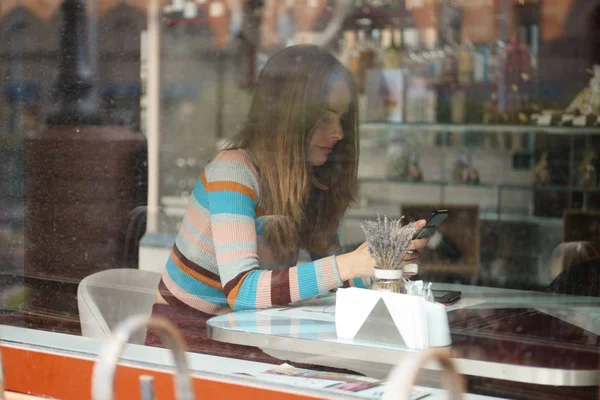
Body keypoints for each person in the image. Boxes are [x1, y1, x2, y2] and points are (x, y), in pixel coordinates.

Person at [145, 45, 429, 364]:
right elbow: (241, 291)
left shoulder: (306, 180)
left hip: (251, 336)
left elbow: (336, 280)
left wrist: (384, 264)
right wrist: (348, 264)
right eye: (325, 118)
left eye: (341, 119)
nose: (338, 133)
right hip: (187, 345)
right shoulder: (233, 171)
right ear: (289, 117)